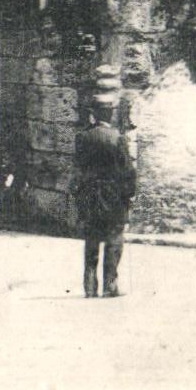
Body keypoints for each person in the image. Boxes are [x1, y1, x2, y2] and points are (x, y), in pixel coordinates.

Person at [72, 99, 137, 298]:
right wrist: (129, 193)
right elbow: (127, 170)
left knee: (91, 240)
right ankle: (110, 285)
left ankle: (90, 286)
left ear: (95, 114)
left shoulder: (82, 137)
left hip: (90, 195)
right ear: (110, 115)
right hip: (113, 196)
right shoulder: (118, 138)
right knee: (114, 240)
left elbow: (77, 168)